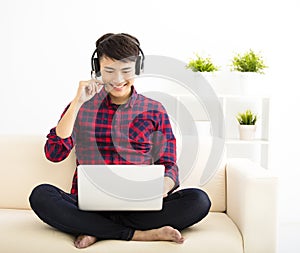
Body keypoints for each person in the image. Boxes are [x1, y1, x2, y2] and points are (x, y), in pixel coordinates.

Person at [29, 33, 211, 249]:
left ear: (138, 68)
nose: (118, 79)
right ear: (98, 70)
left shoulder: (154, 110)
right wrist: (76, 102)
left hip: (139, 208)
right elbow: (54, 153)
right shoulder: (83, 106)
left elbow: (169, 164)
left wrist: (162, 186)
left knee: (199, 200)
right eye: (109, 71)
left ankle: (96, 229)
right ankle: (139, 235)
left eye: (126, 70)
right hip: (89, 206)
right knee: (41, 196)